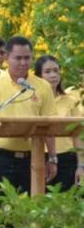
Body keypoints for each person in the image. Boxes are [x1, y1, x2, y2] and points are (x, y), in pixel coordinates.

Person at [0, 36, 57, 228]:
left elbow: (49, 126)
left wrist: (53, 157)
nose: (23, 63)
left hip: (35, 158)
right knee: (4, 209)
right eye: (17, 58)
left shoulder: (41, 87)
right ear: (7, 59)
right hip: (3, 157)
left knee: (38, 209)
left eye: (27, 58)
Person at [34, 55, 82, 190]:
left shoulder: (70, 100)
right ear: (38, 76)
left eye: (56, 71)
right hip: (39, 158)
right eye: (47, 72)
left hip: (67, 159)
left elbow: (77, 134)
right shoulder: (32, 101)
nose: (53, 75)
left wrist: (81, 165)